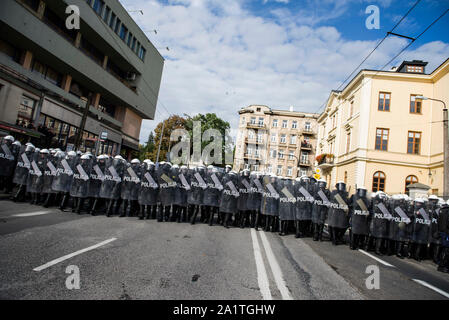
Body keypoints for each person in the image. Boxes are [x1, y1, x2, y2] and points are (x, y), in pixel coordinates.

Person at [327, 181, 350, 246]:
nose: (341, 187)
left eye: (342, 186)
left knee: (342, 227)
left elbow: (347, 202)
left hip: (341, 213)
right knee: (334, 227)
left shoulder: (345, 194)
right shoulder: (334, 193)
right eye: (340, 185)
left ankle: (338, 238)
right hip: (334, 212)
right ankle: (334, 239)